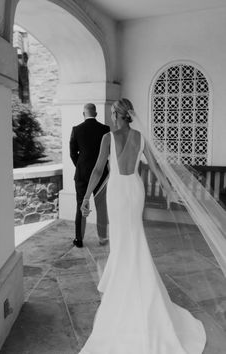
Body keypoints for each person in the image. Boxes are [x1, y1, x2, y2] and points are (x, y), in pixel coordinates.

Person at [79, 98, 206, 353]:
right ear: (130, 115)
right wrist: (168, 190)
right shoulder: (140, 138)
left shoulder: (108, 138)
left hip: (117, 191)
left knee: (121, 237)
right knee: (134, 236)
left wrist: (85, 198)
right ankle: (131, 277)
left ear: (116, 114)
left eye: (113, 112)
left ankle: (123, 281)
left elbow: (96, 171)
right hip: (134, 191)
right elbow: (156, 167)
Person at [70, 103, 110, 248]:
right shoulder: (105, 129)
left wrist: (80, 166)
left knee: (81, 204)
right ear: (96, 114)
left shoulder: (76, 129)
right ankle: (102, 238)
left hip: (82, 174)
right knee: (101, 206)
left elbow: (72, 153)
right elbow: (109, 152)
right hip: (101, 175)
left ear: (83, 114)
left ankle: (79, 239)